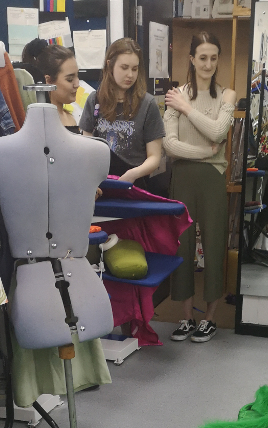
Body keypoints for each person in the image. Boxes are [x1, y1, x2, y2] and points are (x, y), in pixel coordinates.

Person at [163, 31, 236, 343]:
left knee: (215, 242)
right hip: (182, 176)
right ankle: (186, 317)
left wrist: (187, 108)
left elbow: (218, 132)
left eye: (213, 58)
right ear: (191, 59)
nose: (208, 64)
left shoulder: (227, 96)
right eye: (202, 57)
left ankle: (210, 318)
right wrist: (205, 153)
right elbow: (169, 146)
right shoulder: (174, 95)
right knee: (182, 244)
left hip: (212, 178)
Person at [79, 38, 165, 187]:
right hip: (100, 184)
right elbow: (86, 149)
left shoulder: (148, 104)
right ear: (110, 65)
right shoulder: (94, 100)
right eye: (124, 68)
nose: (130, 75)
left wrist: (133, 174)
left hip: (134, 183)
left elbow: (154, 157)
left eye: (134, 69)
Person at [22, 39, 81, 132]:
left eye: (77, 76)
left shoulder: (72, 116)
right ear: (48, 81)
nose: (77, 84)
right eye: (69, 79)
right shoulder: (41, 123)